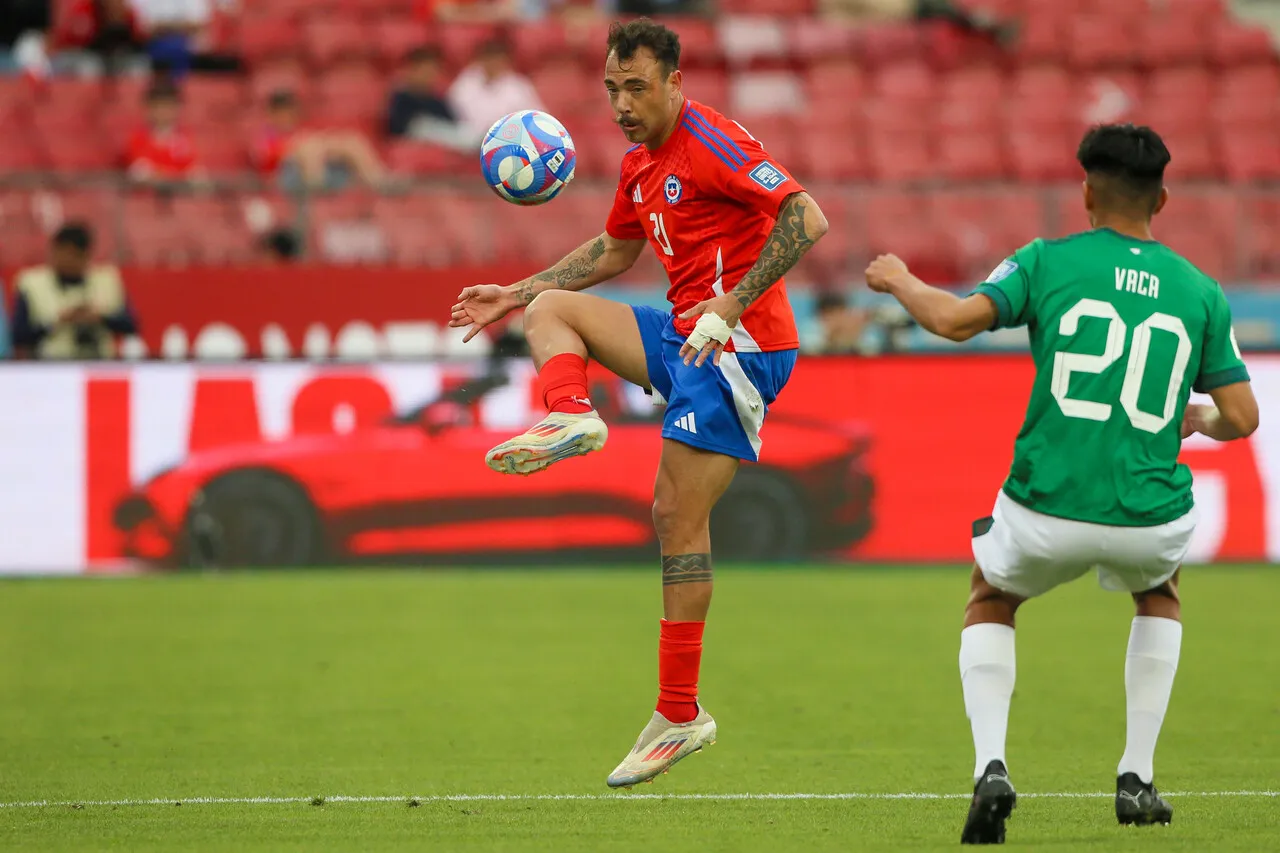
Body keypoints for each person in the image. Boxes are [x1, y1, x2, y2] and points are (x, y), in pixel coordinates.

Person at [449, 19, 828, 788]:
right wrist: (512, 291)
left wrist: (734, 299)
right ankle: (571, 413)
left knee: (675, 516)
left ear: (675, 84)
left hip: (741, 343)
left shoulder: (708, 139)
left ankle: (680, 714)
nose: (622, 103)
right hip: (686, 331)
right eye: (612, 89)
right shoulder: (639, 165)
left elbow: (805, 217)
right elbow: (616, 251)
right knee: (549, 310)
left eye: (637, 87)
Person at [863, 124, 1259, 844]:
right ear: (1163, 198)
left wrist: (897, 278)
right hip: (1149, 512)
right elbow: (1244, 415)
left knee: (992, 594)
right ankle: (1136, 776)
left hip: (1044, 507)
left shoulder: (1045, 261)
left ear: (1085, 193)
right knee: (1159, 590)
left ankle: (991, 766)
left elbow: (952, 322)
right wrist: (1195, 414)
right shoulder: (1201, 292)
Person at [10, 223, 139, 359]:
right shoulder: (31, 284)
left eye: (74, 255)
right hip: (49, 366)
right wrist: (57, 322)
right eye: (63, 253)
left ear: (86, 255)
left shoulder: (107, 280)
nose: (68, 260)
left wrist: (101, 318)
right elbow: (19, 335)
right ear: (53, 250)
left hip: (100, 363)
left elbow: (132, 325)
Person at [253, 90, 389, 193]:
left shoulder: (299, 132)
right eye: (281, 113)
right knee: (310, 147)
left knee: (353, 141)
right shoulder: (265, 136)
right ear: (271, 114)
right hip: (285, 180)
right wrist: (296, 148)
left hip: (323, 171)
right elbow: (268, 164)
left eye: (289, 113)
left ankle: (381, 184)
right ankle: (315, 197)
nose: (286, 118)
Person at [447, 38, 543, 141]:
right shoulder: (466, 82)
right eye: (489, 58)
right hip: (468, 141)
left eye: (497, 59)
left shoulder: (519, 86)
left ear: (506, 61)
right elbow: (451, 111)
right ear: (480, 59)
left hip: (507, 141)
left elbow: (537, 119)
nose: (493, 63)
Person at [385, 45, 469, 151]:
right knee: (422, 126)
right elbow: (395, 128)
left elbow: (452, 124)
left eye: (431, 71)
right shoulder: (401, 98)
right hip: (415, 139)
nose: (428, 75)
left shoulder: (437, 100)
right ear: (411, 70)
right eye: (423, 70)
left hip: (443, 139)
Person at [125, 79, 204, 186]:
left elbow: (193, 172)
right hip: (146, 197)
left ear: (177, 108)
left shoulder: (185, 140)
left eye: (168, 106)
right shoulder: (138, 139)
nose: (163, 112)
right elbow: (140, 173)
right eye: (158, 106)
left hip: (179, 197)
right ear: (148, 109)